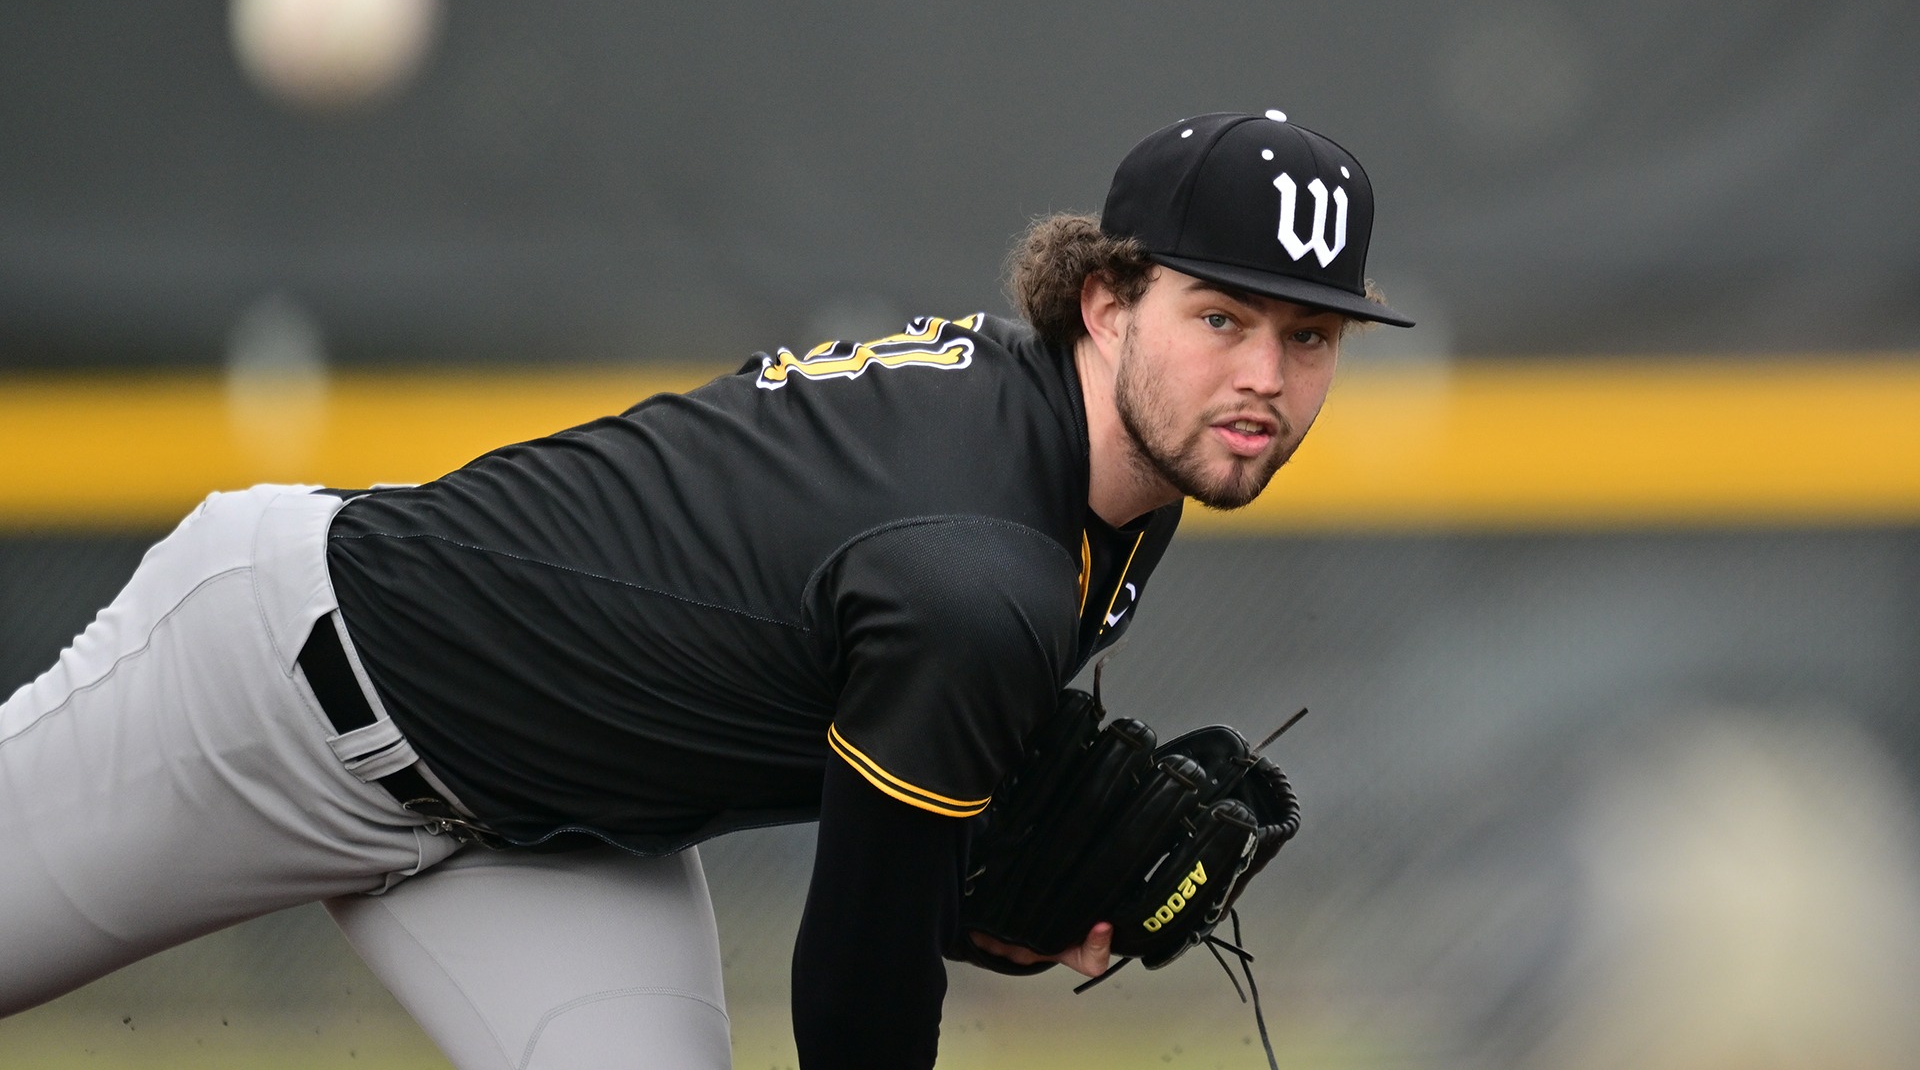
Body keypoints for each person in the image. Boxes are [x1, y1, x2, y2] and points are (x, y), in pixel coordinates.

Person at [0, 110, 1411, 1069]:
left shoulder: (1093, 462)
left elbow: (867, 781)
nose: (1263, 379)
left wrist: (973, 894)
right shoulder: (986, 562)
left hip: (563, 840)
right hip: (276, 693)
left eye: (1308, 336)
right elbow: (858, 999)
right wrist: (933, 904)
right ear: (1104, 302)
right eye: (1219, 318)